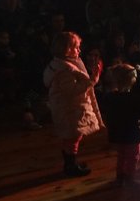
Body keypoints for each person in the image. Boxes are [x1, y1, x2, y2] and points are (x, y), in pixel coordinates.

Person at [43, 31, 105, 177]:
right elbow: (71, 90)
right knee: (72, 138)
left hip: (70, 108)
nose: (79, 50)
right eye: (76, 47)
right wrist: (93, 81)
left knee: (71, 138)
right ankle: (70, 166)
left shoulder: (64, 64)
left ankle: (71, 163)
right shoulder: (64, 69)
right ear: (67, 49)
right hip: (69, 110)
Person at [98, 63, 140, 188]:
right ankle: (130, 179)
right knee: (133, 157)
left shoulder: (110, 97)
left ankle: (119, 179)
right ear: (131, 80)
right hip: (133, 133)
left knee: (121, 156)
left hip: (117, 133)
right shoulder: (134, 98)